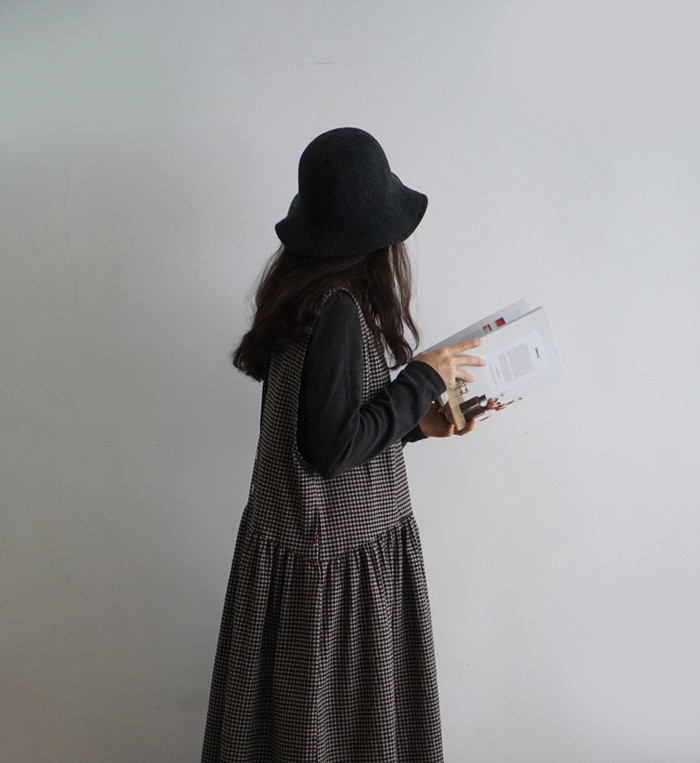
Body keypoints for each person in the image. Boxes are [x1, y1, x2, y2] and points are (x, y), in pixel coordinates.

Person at [200, 127, 485, 763]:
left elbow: (329, 428)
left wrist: (418, 424)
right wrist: (423, 379)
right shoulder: (338, 310)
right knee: (341, 736)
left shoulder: (303, 297)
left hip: (301, 554)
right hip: (335, 571)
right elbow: (328, 448)